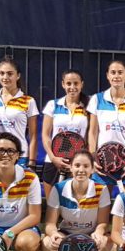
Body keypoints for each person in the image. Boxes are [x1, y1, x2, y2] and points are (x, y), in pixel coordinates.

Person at [41, 151, 115, 251]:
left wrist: (99, 233)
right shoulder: (59, 189)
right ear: (71, 167)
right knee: (46, 243)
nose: (81, 170)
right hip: (67, 235)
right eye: (77, 165)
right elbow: (50, 224)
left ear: (92, 169)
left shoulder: (101, 189)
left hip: (91, 235)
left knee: (109, 244)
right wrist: (54, 234)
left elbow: (103, 223)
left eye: (86, 166)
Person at [87, 61, 125, 185]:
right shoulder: (97, 99)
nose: (116, 76)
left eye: (120, 72)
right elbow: (92, 132)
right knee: (100, 198)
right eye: (113, 72)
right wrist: (93, 157)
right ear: (108, 76)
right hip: (102, 163)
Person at [0, 56, 39, 170]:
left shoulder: (28, 101)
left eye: (10, 74)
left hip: (19, 155)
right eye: (2, 73)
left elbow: (33, 136)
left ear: (18, 76)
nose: (5, 77)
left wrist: (32, 162)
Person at [41, 69, 90, 198]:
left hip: (77, 164)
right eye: (68, 83)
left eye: (76, 83)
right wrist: (53, 158)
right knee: (52, 203)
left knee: (73, 203)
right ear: (63, 84)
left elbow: (90, 136)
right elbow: (45, 135)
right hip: (53, 161)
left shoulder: (89, 107)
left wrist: (78, 161)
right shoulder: (53, 105)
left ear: (82, 84)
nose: (72, 87)